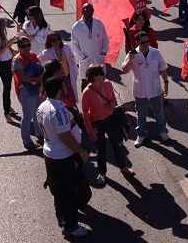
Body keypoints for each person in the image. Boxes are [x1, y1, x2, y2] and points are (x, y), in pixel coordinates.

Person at [37, 74, 91, 238]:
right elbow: (65, 136)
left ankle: (62, 218)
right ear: (60, 90)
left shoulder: (42, 106)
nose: (67, 87)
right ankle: (71, 226)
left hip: (50, 154)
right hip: (62, 157)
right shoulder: (58, 110)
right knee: (69, 192)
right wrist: (80, 151)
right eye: (64, 85)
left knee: (59, 192)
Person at [82, 64, 135, 186]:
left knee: (117, 144)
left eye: (101, 74)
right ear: (92, 78)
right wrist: (90, 131)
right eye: (98, 76)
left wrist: (111, 105)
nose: (101, 77)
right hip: (98, 122)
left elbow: (113, 99)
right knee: (101, 150)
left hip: (111, 119)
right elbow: (85, 114)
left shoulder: (108, 84)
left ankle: (123, 167)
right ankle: (102, 173)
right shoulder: (87, 92)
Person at [122, 31, 170, 147]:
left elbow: (163, 68)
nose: (146, 44)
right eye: (143, 42)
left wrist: (166, 82)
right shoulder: (132, 54)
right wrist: (130, 58)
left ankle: (162, 132)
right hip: (140, 91)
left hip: (155, 89)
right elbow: (124, 70)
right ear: (137, 42)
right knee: (141, 115)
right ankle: (141, 135)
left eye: (147, 41)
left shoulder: (155, 53)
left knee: (159, 113)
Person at [13, 37, 44, 150]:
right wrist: (37, 79)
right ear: (19, 47)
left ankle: (40, 135)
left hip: (36, 88)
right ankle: (27, 142)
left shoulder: (33, 55)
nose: (26, 48)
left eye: (28, 45)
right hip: (25, 91)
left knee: (38, 113)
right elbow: (23, 78)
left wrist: (39, 80)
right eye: (23, 46)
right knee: (27, 116)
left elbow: (41, 69)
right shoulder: (17, 60)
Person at [71, 3, 109, 91]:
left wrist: (103, 52)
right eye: (86, 11)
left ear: (93, 11)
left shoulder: (99, 24)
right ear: (82, 12)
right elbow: (74, 45)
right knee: (86, 89)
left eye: (90, 10)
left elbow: (105, 39)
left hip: (98, 60)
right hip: (85, 62)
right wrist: (82, 57)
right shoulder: (76, 27)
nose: (88, 12)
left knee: (101, 88)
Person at [0, 19, 18, 122]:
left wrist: (12, 49)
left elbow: (6, 46)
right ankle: (6, 113)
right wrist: (8, 44)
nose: (6, 26)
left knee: (8, 87)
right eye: (4, 25)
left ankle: (8, 107)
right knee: (6, 89)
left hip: (9, 62)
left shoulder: (1, 34)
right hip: (3, 65)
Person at [40, 32, 79, 106]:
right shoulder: (46, 52)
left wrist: (75, 72)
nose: (56, 42)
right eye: (53, 40)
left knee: (71, 96)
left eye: (58, 39)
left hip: (68, 77)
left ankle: (73, 108)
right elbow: (39, 62)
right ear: (49, 41)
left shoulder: (66, 47)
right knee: (61, 99)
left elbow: (72, 59)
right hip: (57, 80)